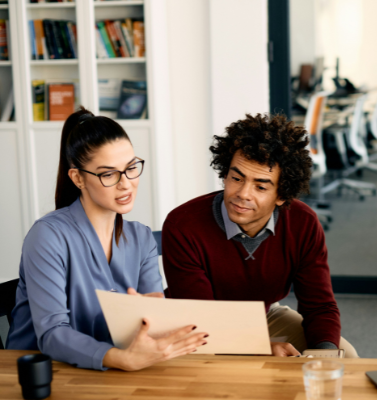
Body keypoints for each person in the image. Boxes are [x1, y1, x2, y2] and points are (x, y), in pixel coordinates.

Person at [7, 108, 208, 371]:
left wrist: (153, 320)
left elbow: (153, 318)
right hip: (38, 374)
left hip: (109, 373)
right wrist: (122, 358)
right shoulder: (47, 236)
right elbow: (52, 334)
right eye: (109, 174)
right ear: (78, 178)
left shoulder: (142, 238)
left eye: (131, 168)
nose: (126, 184)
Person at [162, 113, 357, 357]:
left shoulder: (302, 223)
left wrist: (324, 356)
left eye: (261, 186)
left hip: (262, 316)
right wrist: (261, 349)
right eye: (236, 178)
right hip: (193, 328)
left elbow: (319, 306)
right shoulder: (184, 224)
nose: (242, 193)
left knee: (343, 357)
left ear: (282, 195)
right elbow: (201, 319)